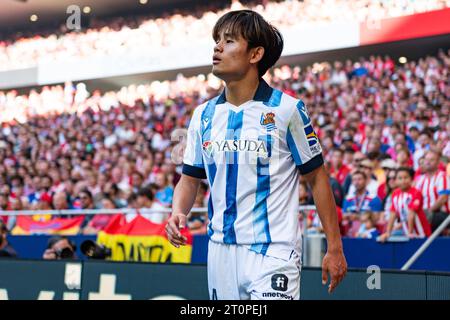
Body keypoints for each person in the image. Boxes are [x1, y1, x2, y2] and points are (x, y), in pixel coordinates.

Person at [166, 10, 346, 300]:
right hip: (220, 250)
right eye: (216, 40)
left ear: (255, 54)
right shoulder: (203, 115)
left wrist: (334, 247)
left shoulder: (287, 110)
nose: (218, 47)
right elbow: (189, 180)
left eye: (229, 40)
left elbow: (317, 178)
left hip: (274, 251)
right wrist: (178, 212)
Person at [380, 167, 431, 241]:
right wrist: (388, 232)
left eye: (406, 177)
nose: (403, 181)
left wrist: (410, 232)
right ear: (396, 181)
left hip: (422, 234)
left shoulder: (416, 192)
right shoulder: (395, 194)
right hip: (407, 234)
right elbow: (393, 214)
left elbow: (411, 213)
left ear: (411, 179)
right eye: (400, 178)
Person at [414, 150, 449, 232]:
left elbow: (443, 198)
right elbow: (415, 197)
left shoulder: (442, 177)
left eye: (431, 160)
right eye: (426, 160)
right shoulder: (421, 179)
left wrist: (428, 211)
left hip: (440, 213)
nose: (428, 162)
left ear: (438, 163)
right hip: (424, 213)